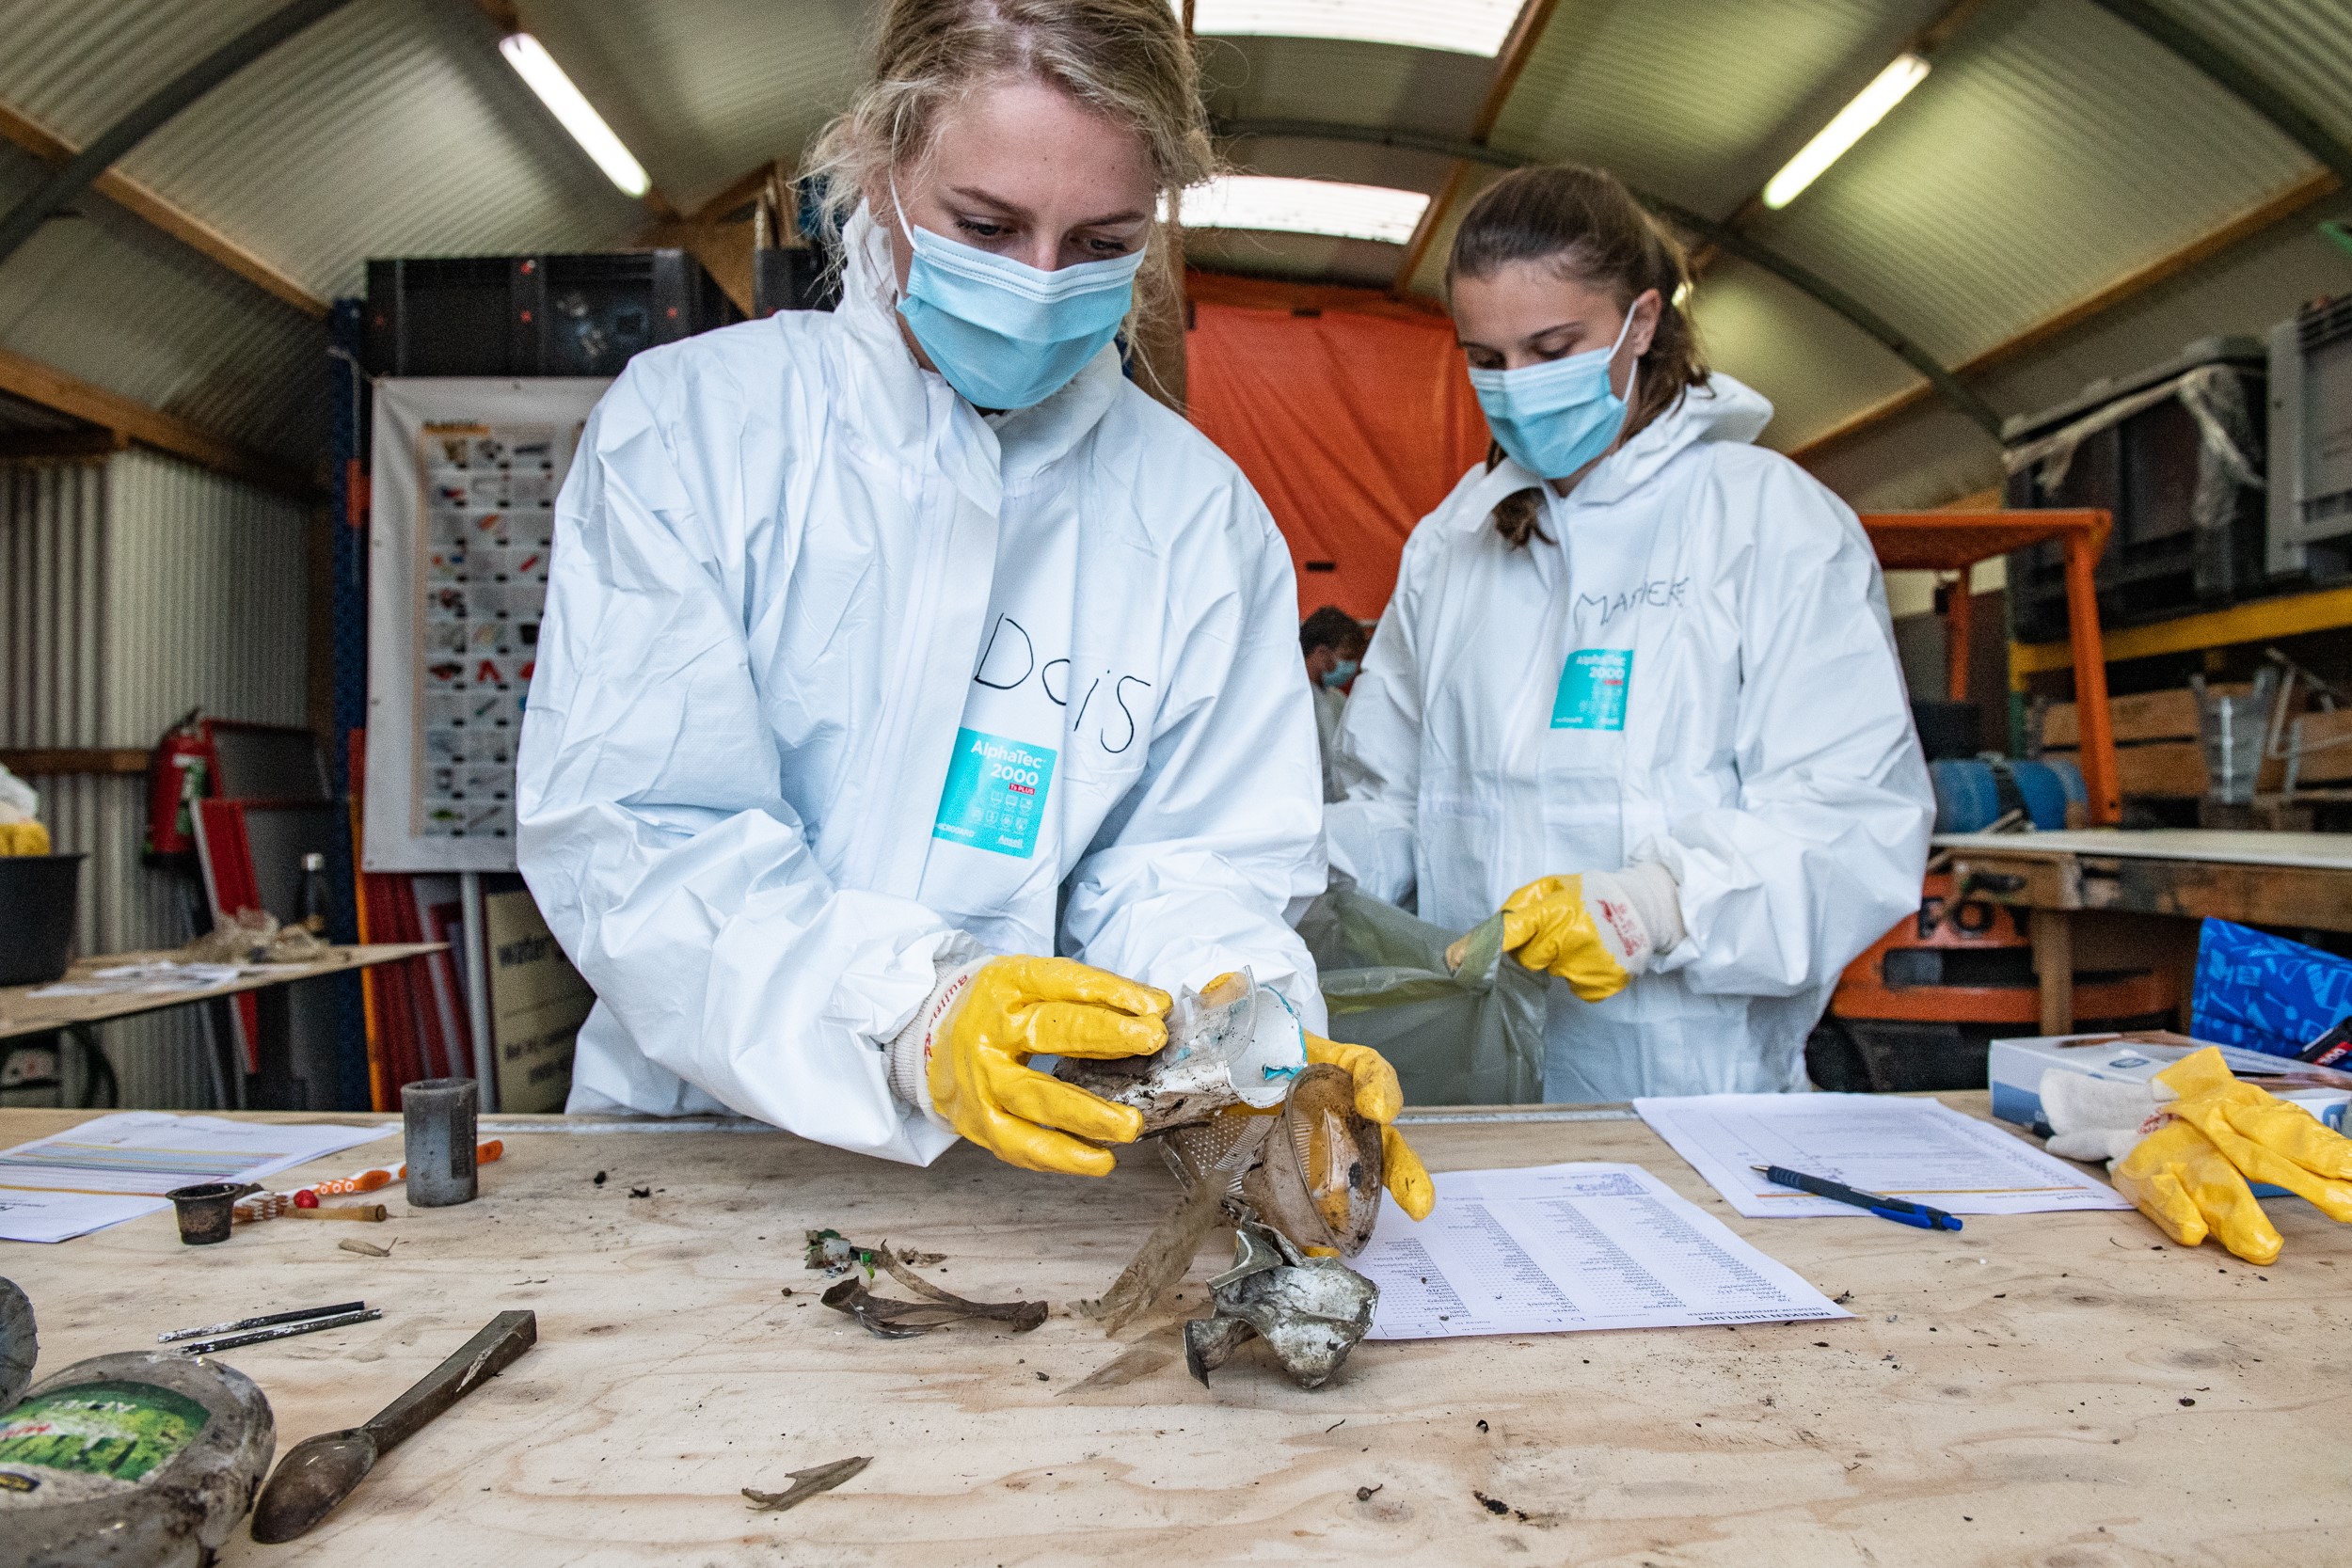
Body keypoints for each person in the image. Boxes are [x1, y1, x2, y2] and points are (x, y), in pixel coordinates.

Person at [516, 0, 1429, 1215]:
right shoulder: (699, 432)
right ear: (878, 165)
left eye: (1101, 241)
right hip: (705, 1157)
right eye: (986, 226)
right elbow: (642, 836)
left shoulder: (1198, 519)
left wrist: (1255, 1029)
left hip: (1040, 1178)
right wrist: (912, 1009)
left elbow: (1189, 867)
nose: (1040, 285)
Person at [1326, 165, 1931, 1101]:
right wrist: (1289, 875)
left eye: (1552, 347)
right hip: (1473, 1091)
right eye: (1486, 360)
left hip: (1696, 1100)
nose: (1516, 388)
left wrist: (1654, 903)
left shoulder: (1765, 521)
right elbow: (1390, 801)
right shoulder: (1450, 545)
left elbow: (1853, 821)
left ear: (1640, 323)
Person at [1299, 606, 1367, 803]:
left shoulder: (1337, 699)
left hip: (1338, 807)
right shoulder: (1292, 699)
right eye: (1346, 657)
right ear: (1321, 653)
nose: (1353, 668)